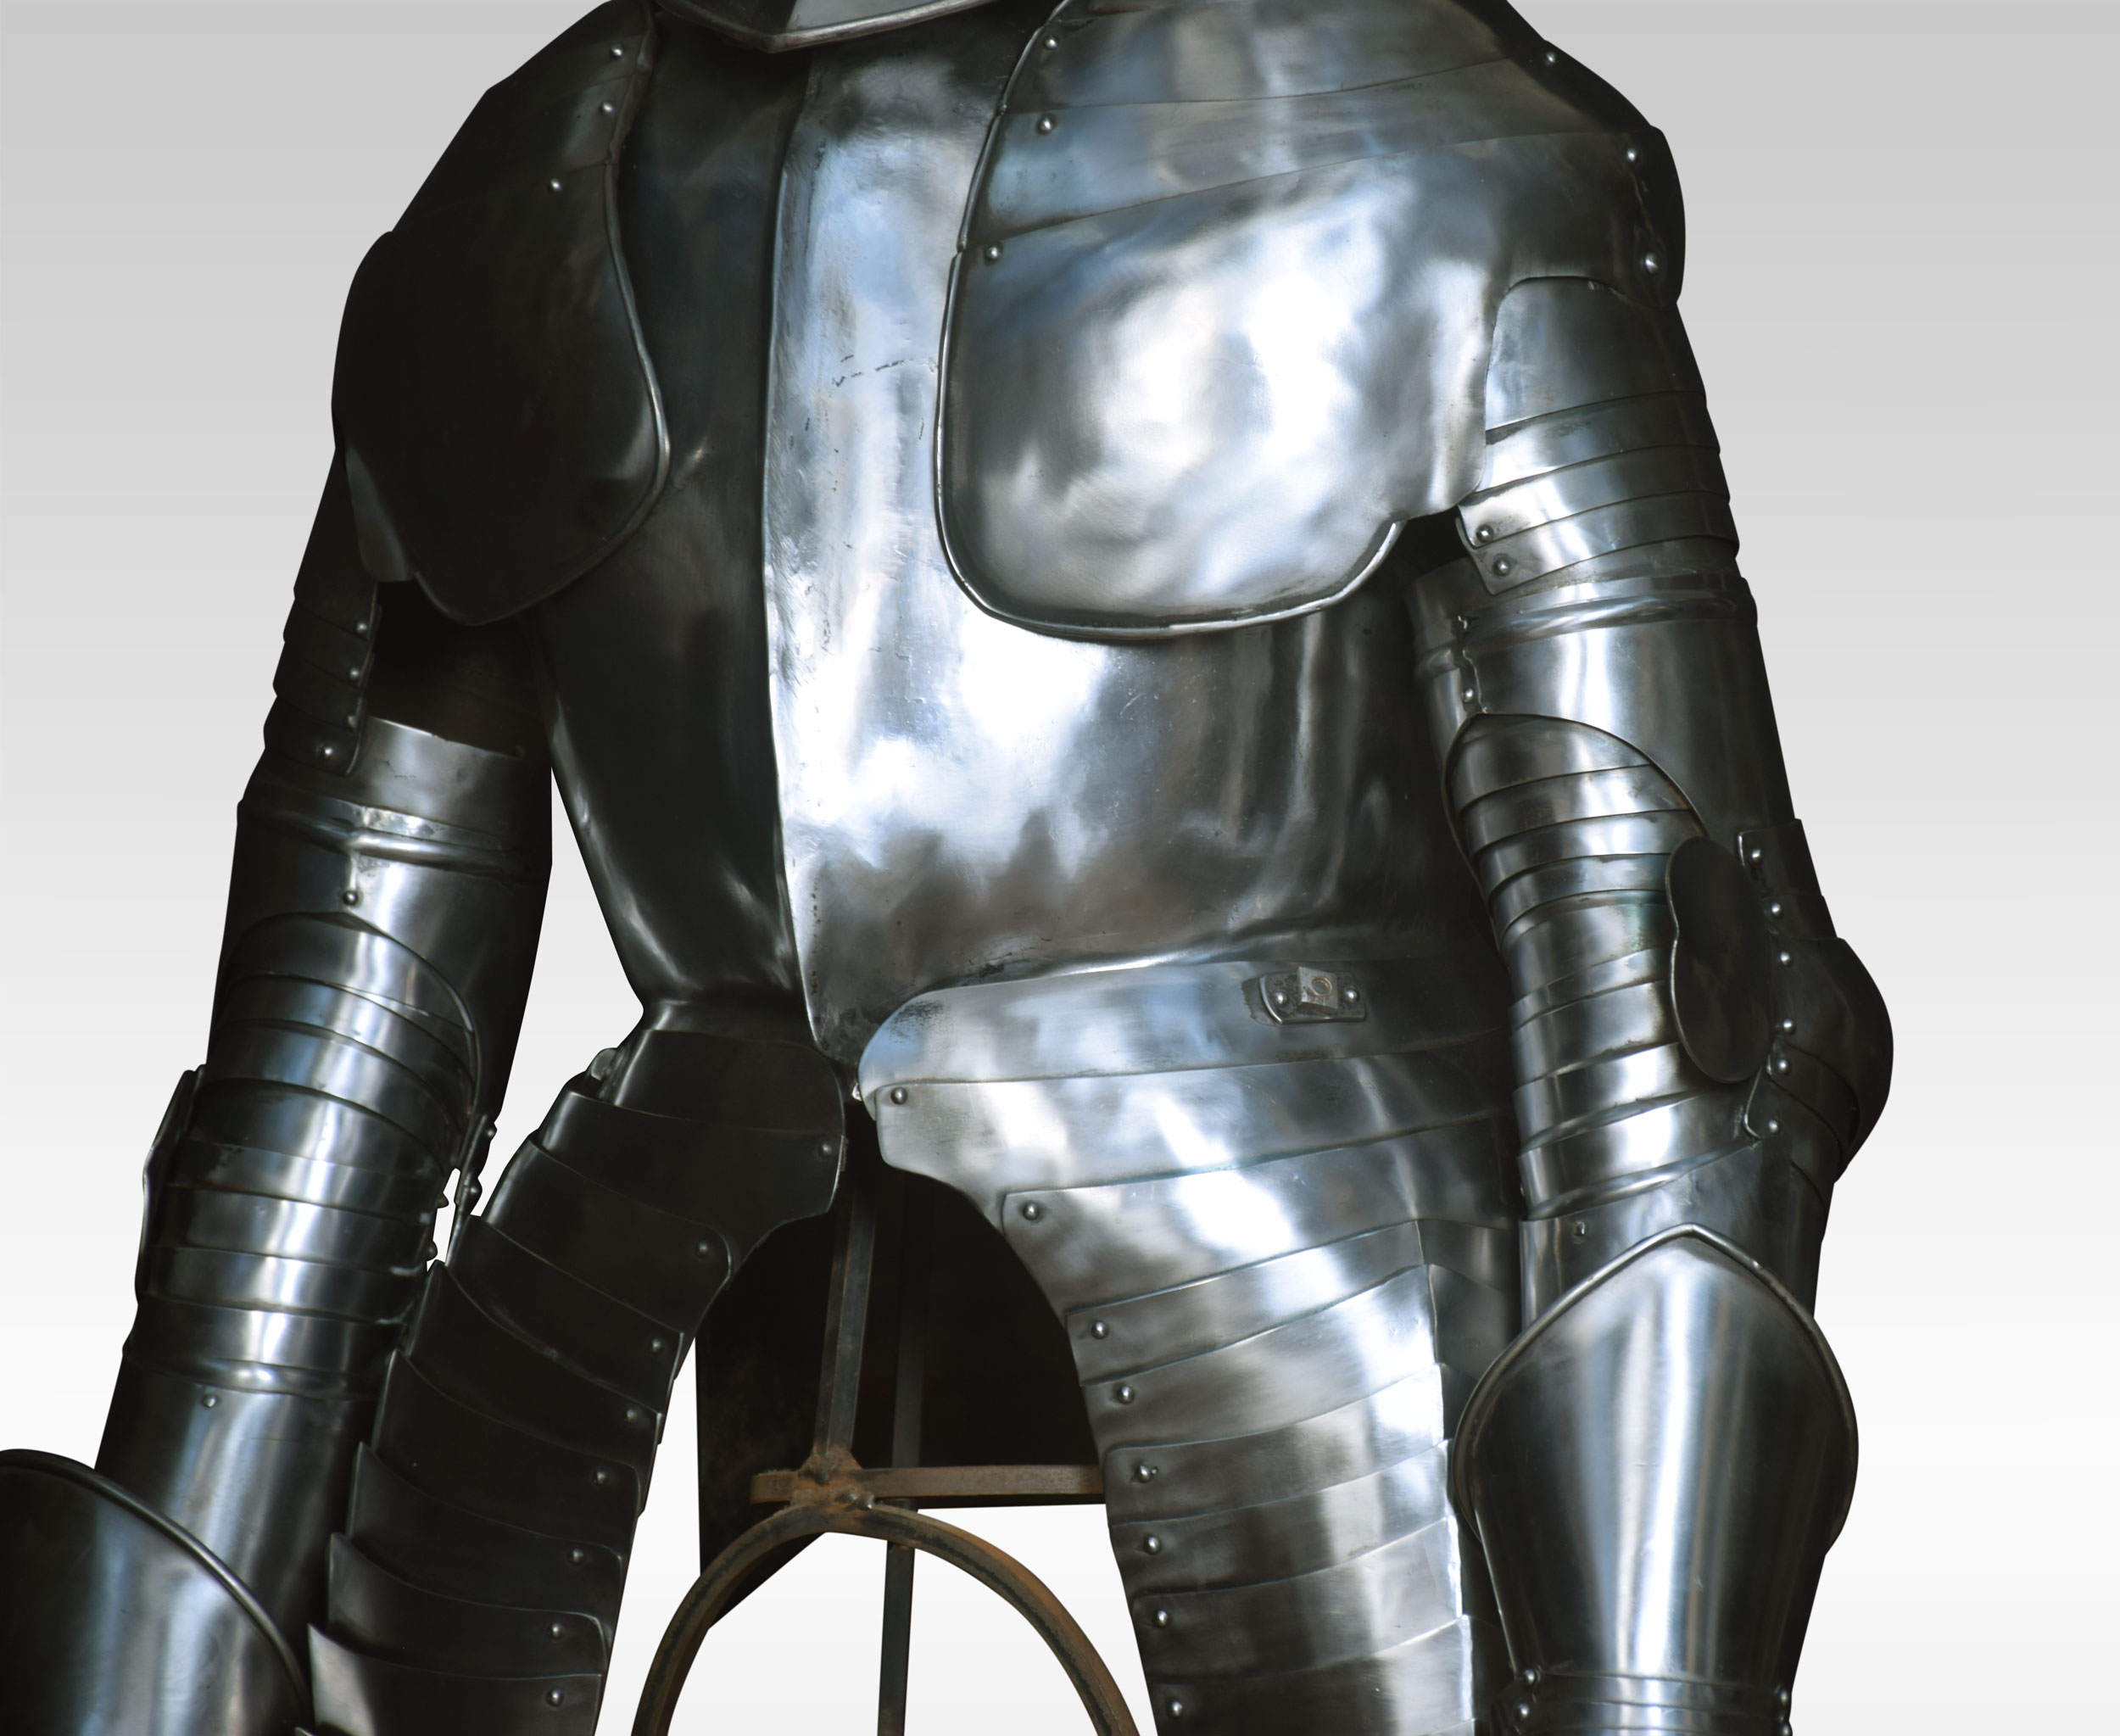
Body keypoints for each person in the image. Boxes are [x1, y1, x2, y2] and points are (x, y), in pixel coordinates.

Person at [0, 0, 1890, 1731]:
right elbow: (340, 1046)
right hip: (612, 1300)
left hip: (1331, 1320)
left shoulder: (1406, 108)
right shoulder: (527, 190)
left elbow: (1681, 984)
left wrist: (1643, 1682)